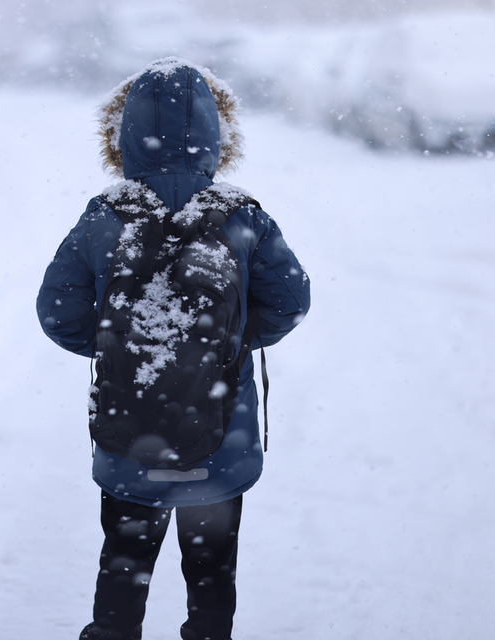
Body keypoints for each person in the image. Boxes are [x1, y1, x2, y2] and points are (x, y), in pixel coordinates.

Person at [37, 57, 310, 640]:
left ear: (121, 135)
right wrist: (230, 343)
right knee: (211, 569)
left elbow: (57, 313)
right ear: (219, 135)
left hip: (128, 431)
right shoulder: (242, 216)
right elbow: (290, 301)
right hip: (222, 437)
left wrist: (114, 344)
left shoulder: (105, 216)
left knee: (125, 561)